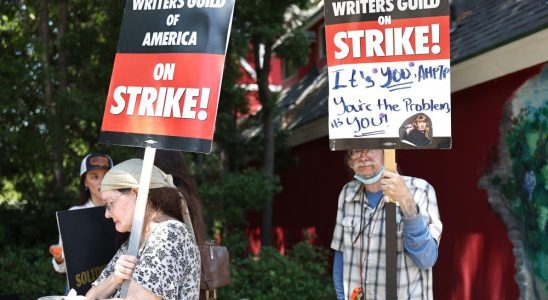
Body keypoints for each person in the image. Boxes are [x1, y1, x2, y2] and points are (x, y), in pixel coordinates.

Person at [331, 149, 442, 300]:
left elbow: (426, 259)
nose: (363, 157)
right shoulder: (347, 193)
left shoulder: (420, 190)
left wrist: (405, 199)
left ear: (387, 153)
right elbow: (341, 255)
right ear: (350, 162)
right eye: (356, 151)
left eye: (370, 148)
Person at [86, 158, 201, 300]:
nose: (107, 214)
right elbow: (90, 296)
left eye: (110, 203)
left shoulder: (169, 234)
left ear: (136, 193)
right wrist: (114, 279)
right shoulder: (136, 240)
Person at [49, 152, 113, 273]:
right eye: (94, 177)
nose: (101, 182)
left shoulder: (123, 210)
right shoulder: (74, 215)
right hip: (82, 288)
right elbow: (62, 268)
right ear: (85, 182)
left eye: (106, 176)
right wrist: (59, 258)